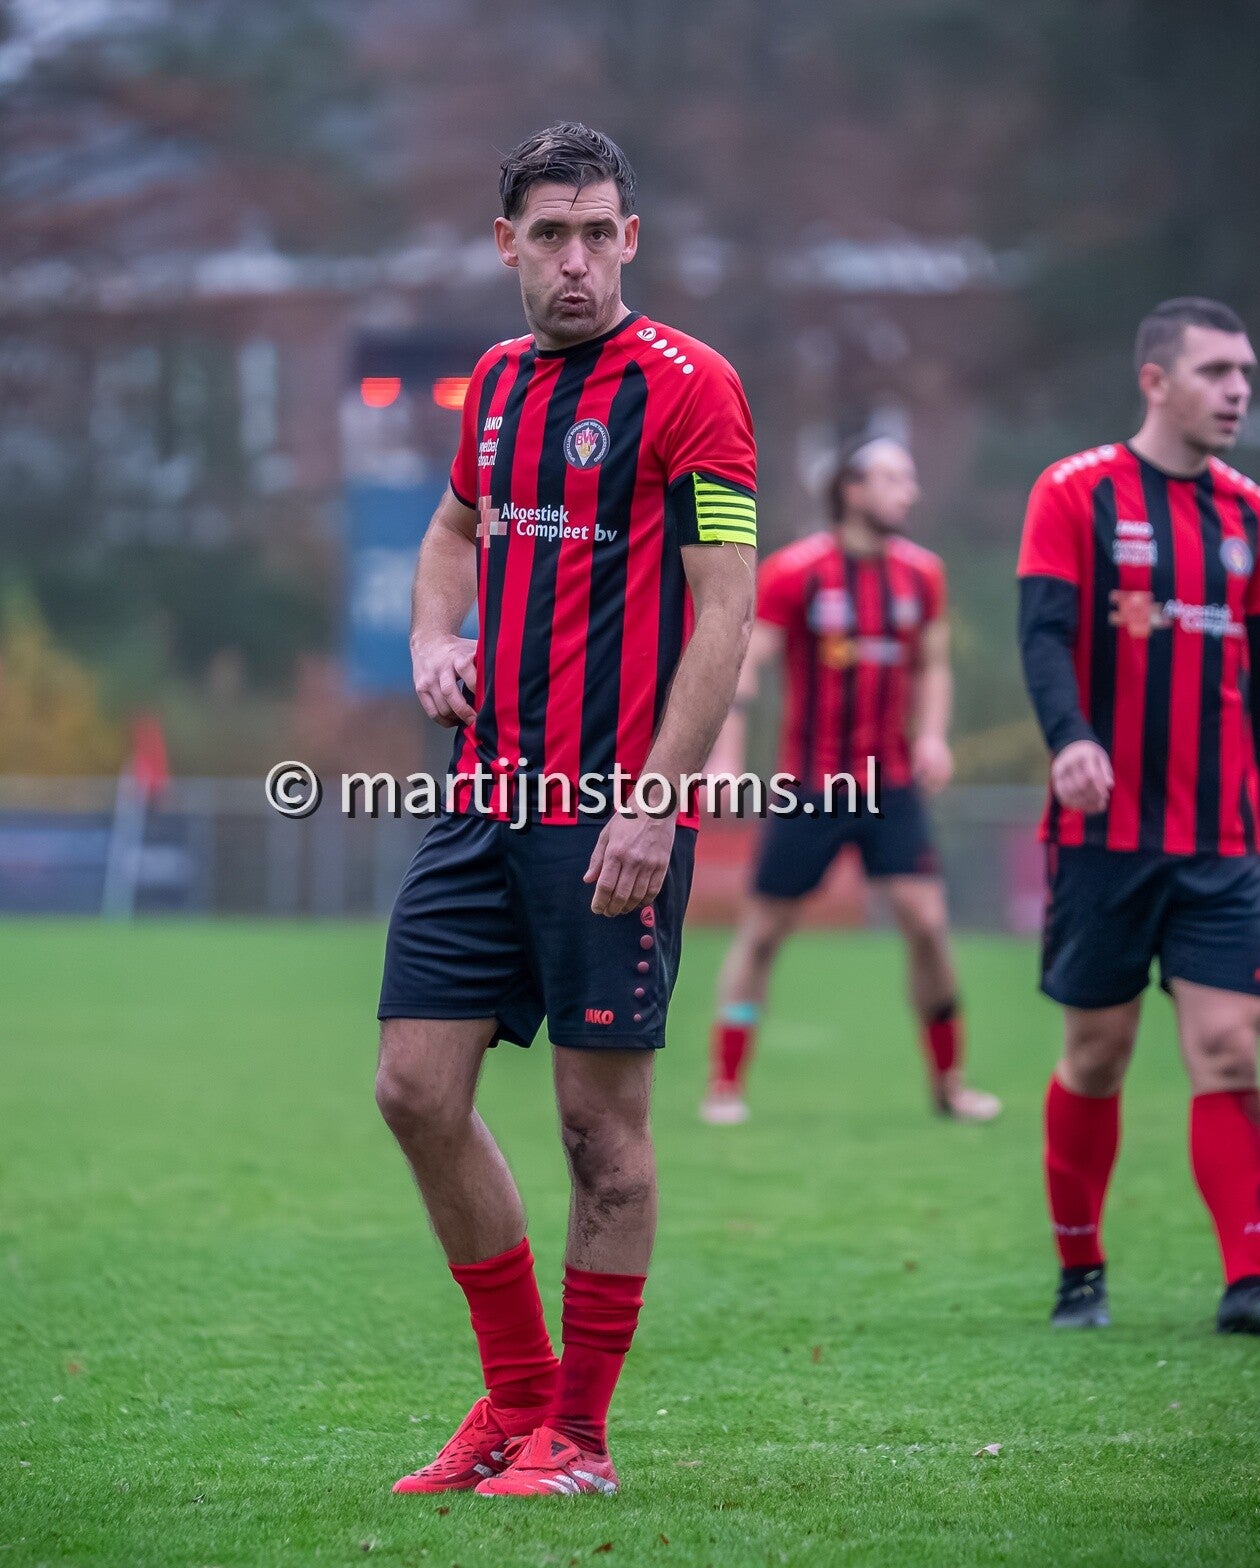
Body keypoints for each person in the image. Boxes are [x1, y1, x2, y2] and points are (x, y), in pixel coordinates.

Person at [375, 123, 757, 1499]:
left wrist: (654, 805)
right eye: (552, 235)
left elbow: (727, 610)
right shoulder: (491, 385)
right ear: (508, 247)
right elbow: (451, 530)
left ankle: (578, 1440)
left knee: (601, 1133)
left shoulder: (692, 387)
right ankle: (518, 1399)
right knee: (415, 1091)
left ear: (631, 240)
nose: (578, 260)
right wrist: (433, 639)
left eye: (600, 233)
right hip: (482, 800)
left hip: (611, 814)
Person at [1017, 297, 1260, 1337]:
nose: (1238, 390)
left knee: (1228, 1045)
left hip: (1220, 839)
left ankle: (1250, 1280)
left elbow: (1256, 675)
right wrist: (1069, 737)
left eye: (1245, 372)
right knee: (1097, 1051)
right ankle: (1079, 1269)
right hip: (1103, 834)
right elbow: (1043, 633)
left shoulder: (1253, 515)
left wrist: (1255, 803)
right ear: (1154, 380)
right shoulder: (1073, 491)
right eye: (1215, 371)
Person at [701, 436, 1001, 1126]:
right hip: (810, 786)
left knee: (927, 923)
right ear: (852, 490)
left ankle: (950, 1084)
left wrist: (932, 736)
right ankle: (725, 1084)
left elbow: (934, 667)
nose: (909, 491)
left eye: (910, 478)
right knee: (764, 933)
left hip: (890, 786)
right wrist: (726, 756)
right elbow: (748, 666)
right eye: (894, 478)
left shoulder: (923, 575)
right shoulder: (795, 572)